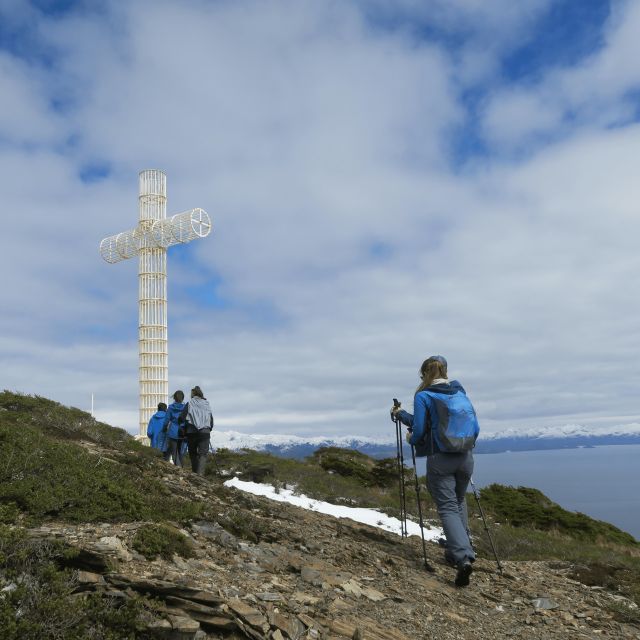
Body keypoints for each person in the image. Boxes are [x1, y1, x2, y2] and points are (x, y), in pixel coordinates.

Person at [391, 355, 480, 587]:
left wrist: (411, 437)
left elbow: (420, 430)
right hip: (466, 456)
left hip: (441, 458)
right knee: (459, 501)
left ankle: (462, 557)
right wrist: (403, 416)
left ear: (424, 374)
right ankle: (458, 550)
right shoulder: (459, 390)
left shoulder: (424, 395)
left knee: (448, 507)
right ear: (445, 371)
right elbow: (475, 425)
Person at [179, 385, 214, 475]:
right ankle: (200, 474)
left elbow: (181, 417)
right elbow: (211, 419)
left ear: (193, 394)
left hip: (192, 432)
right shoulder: (207, 404)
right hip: (205, 432)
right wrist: (208, 429)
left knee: (193, 453)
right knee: (203, 454)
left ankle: (195, 473)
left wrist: (181, 426)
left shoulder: (189, 403)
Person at [163, 390, 187, 467]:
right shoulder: (186, 408)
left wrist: (164, 428)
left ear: (174, 398)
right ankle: (183, 469)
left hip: (173, 431)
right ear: (183, 398)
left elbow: (166, 420)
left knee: (174, 452)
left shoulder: (170, 407)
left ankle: (179, 468)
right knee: (181, 452)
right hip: (183, 431)